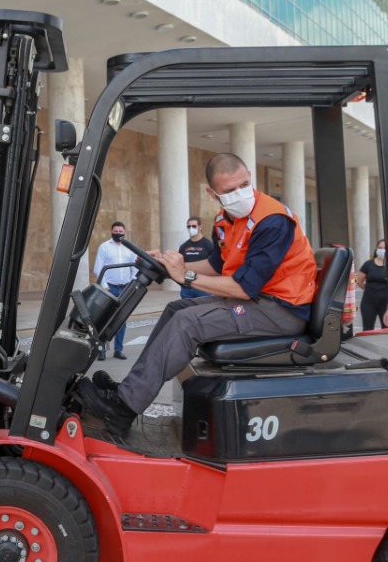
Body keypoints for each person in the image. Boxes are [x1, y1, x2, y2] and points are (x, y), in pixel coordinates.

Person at [78, 153, 318, 438]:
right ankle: (128, 390)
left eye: (243, 185)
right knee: (176, 310)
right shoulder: (224, 220)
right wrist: (172, 267)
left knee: (187, 323)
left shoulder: (272, 221)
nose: (239, 194)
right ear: (213, 193)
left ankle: (123, 410)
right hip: (258, 301)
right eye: (229, 191)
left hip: (282, 310)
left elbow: (244, 287)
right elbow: (217, 265)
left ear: (250, 177)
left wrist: (186, 276)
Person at [92, 221, 136, 360]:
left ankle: (118, 350)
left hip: (125, 289)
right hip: (109, 288)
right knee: (105, 320)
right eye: (115, 232)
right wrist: (104, 285)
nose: (118, 234)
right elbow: (98, 268)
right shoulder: (104, 247)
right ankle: (102, 350)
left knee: (121, 320)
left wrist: (132, 283)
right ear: (112, 232)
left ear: (124, 232)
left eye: (120, 232)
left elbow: (135, 267)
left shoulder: (130, 248)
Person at [178, 215, 215, 299]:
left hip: (203, 286)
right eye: (189, 226)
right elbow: (180, 265)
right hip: (187, 287)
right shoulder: (183, 246)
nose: (191, 228)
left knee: (205, 310)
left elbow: (214, 265)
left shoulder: (208, 245)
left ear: (200, 227)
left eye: (194, 226)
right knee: (187, 310)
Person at [356, 239, 388, 331]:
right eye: (380, 248)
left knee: (386, 330)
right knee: (367, 329)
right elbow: (359, 281)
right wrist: (369, 288)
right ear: (376, 249)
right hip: (369, 302)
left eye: (385, 248)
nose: (382, 250)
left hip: (386, 304)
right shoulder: (368, 264)